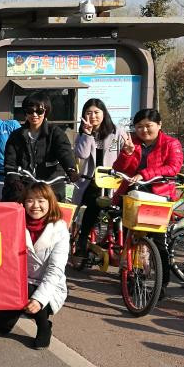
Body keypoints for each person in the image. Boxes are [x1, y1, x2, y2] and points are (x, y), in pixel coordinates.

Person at [112, 108, 183, 298]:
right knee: (130, 237)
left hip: (158, 198)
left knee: (158, 242)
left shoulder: (171, 143)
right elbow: (118, 169)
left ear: (159, 125)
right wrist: (127, 153)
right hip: (132, 196)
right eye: (139, 126)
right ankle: (132, 277)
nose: (144, 130)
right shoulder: (133, 143)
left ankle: (161, 284)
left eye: (148, 126)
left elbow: (173, 167)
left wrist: (144, 174)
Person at [0, 182, 69, 349]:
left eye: (41, 201)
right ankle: (16, 311)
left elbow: (55, 270)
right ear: (23, 203)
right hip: (17, 283)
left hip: (48, 285)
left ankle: (44, 326)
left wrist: (39, 299)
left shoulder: (60, 229)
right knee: (2, 322)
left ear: (50, 202)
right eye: (30, 200)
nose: (35, 205)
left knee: (32, 294)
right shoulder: (14, 223)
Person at [70, 98, 125, 264]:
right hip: (90, 182)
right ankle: (82, 240)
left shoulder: (117, 132)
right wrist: (87, 134)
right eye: (89, 113)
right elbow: (82, 155)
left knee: (120, 210)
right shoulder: (82, 134)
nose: (93, 116)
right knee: (94, 203)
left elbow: (126, 155)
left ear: (104, 113)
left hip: (114, 182)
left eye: (96, 112)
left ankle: (119, 244)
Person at [1, 92, 78, 202]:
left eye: (39, 111)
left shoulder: (56, 133)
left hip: (51, 184)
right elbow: (10, 162)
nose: (34, 115)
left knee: (56, 207)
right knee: (15, 200)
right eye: (30, 111)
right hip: (25, 184)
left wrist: (71, 169)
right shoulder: (16, 136)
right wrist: (14, 180)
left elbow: (64, 152)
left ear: (46, 112)